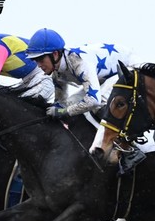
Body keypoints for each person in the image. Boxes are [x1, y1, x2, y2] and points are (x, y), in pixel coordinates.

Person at [25, 28, 146, 170]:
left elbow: (93, 100)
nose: (38, 65)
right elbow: (61, 103)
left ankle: (131, 150)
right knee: (70, 103)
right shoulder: (56, 72)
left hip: (128, 67)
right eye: (35, 60)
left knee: (98, 102)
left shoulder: (78, 62)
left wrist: (63, 111)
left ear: (55, 54)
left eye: (40, 59)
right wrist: (55, 111)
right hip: (103, 77)